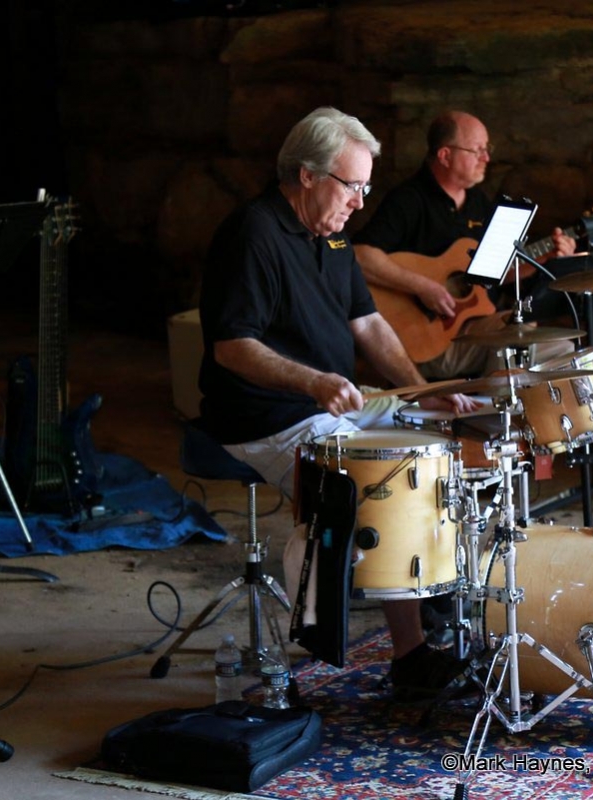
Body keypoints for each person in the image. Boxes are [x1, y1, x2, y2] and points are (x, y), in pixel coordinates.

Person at [198, 106, 480, 698]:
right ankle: (405, 656)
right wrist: (312, 382)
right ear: (307, 175)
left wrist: (422, 392)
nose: (358, 202)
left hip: (332, 402)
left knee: (436, 438)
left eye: (365, 188)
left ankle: (438, 606)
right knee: (378, 472)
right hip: (266, 415)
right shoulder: (252, 234)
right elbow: (231, 346)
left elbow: (368, 323)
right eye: (352, 186)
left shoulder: (331, 235)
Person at [353, 110, 577, 380]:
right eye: (477, 150)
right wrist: (423, 287)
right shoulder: (408, 200)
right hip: (423, 341)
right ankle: (499, 402)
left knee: (563, 349)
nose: (486, 158)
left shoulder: (478, 203)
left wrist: (542, 259)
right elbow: (360, 255)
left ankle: (500, 398)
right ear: (445, 155)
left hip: (473, 327)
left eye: (487, 149)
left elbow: (493, 275)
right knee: (516, 336)